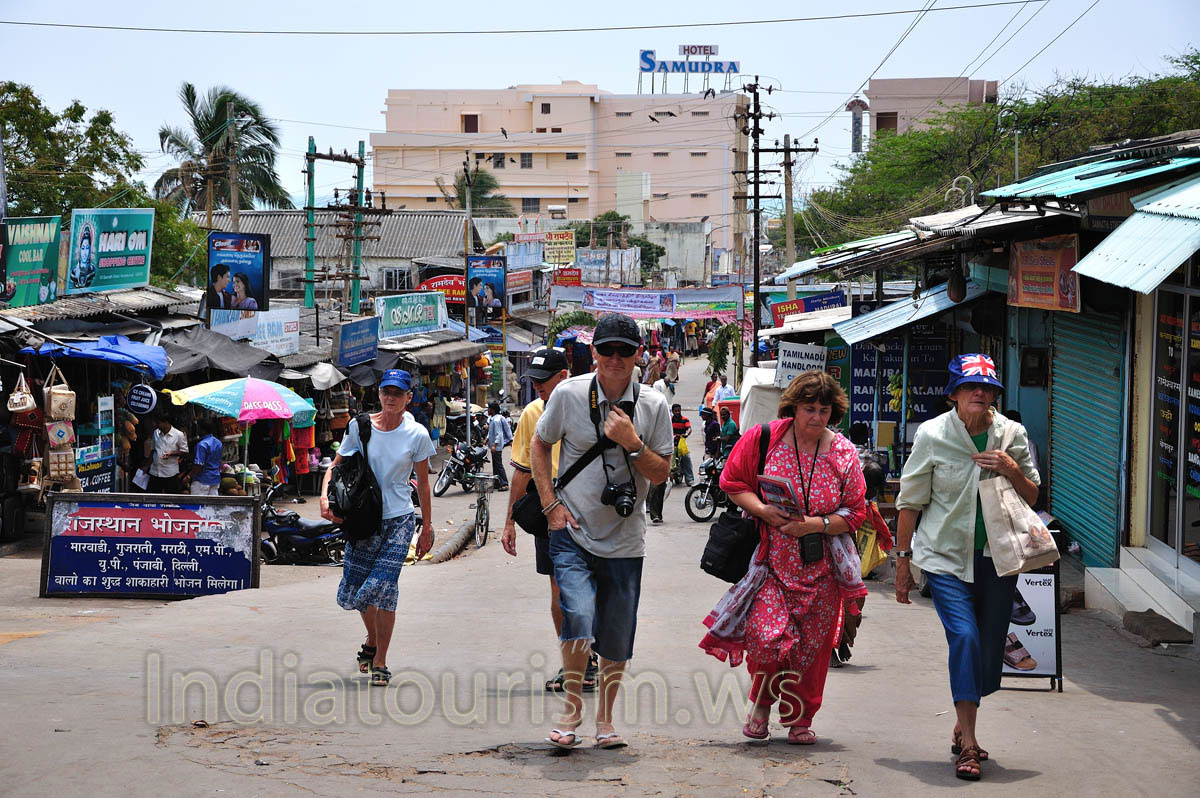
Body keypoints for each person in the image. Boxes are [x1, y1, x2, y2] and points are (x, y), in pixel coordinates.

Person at [700, 370, 868, 745]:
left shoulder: (843, 452)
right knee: (765, 638)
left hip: (822, 570)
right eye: (809, 408)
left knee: (811, 650)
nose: (817, 417)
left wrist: (816, 524)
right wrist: (762, 510)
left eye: (824, 410)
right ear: (793, 407)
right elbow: (732, 482)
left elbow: (856, 511)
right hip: (771, 565)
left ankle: (800, 718)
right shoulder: (765, 438)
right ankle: (761, 702)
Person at [894, 353, 1040, 781]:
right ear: (954, 393)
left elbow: (1032, 496)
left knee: (991, 651)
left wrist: (1012, 468)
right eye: (971, 386)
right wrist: (903, 565)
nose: (980, 393)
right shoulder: (933, 435)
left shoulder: (1010, 433)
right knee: (965, 637)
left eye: (988, 387)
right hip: (945, 559)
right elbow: (909, 503)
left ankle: (962, 723)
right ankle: (970, 746)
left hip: (998, 559)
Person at [532, 312, 672, 750]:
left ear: (637, 355)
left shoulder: (653, 406)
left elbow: (663, 472)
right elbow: (539, 444)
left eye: (624, 351)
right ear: (593, 352)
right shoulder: (569, 395)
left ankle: (605, 720)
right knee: (578, 615)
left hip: (626, 538)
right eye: (606, 349)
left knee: (615, 633)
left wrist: (632, 443)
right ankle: (572, 711)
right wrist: (550, 505)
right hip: (571, 529)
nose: (615, 358)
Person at [321, 369, 437, 688]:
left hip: (399, 519)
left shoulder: (417, 435)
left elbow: (424, 486)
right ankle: (372, 639)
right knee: (357, 590)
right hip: (363, 518)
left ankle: (381, 661)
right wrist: (323, 497)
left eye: (397, 394)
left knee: (384, 589)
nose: (390, 398)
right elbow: (336, 466)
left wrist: (426, 528)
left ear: (408, 398)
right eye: (386, 392)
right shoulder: (360, 427)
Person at [501, 347, 599, 693]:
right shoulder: (532, 413)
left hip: (591, 508)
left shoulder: (593, 407)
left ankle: (588, 648)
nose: (538, 387)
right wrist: (510, 520)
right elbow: (522, 471)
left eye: (545, 381)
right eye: (535, 381)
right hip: (549, 507)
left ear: (564, 377)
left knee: (592, 585)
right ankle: (576, 660)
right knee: (559, 590)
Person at [147, 416, 189, 494]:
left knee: (171, 498)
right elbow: (153, 450)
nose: (157, 425)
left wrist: (171, 454)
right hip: (155, 471)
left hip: (170, 473)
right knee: (153, 497)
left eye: (159, 423)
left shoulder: (179, 435)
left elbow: (185, 452)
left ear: (166, 423)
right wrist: (147, 466)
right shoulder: (156, 433)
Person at [183, 418, 223, 496]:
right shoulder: (218, 443)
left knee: (197, 505)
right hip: (215, 478)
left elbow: (199, 465)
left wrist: (188, 477)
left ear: (202, 430)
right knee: (212, 506)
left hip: (202, 480)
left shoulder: (202, 445)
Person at [487, 400, 512, 491]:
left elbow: (499, 433)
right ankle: (497, 482)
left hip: (496, 446)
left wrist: (494, 445)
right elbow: (491, 432)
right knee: (495, 464)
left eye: (489, 408)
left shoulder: (496, 420)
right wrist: (487, 439)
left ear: (492, 410)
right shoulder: (494, 418)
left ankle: (504, 483)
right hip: (494, 445)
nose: (488, 410)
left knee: (498, 464)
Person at [671, 403, 694, 486]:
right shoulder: (670, 420)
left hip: (681, 443)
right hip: (672, 443)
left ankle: (690, 479)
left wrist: (686, 434)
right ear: (673, 412)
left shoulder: (685, 419)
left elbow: (689, 428)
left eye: (679, 411)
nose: (677, 412)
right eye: (675, 411)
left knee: (686, 458)